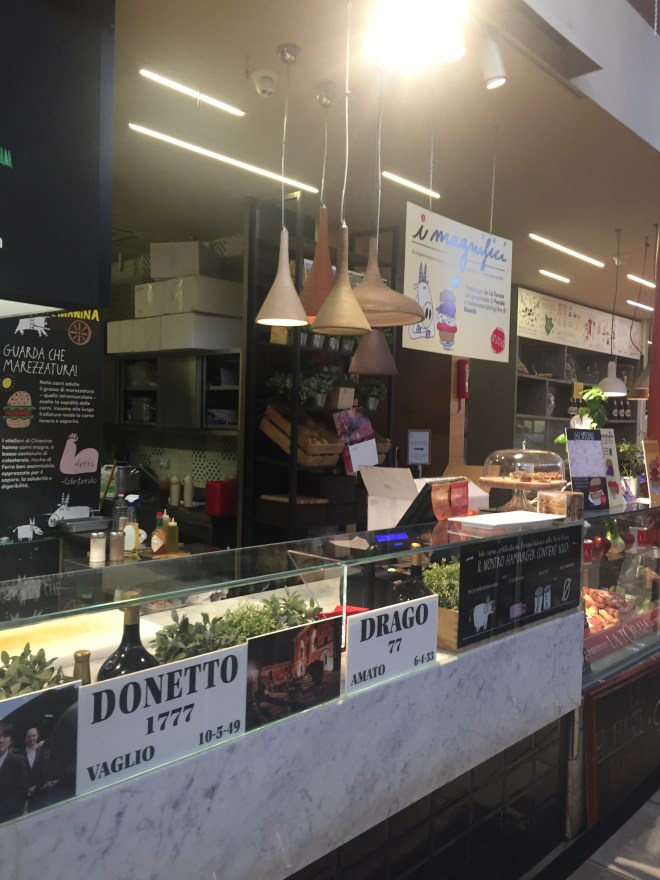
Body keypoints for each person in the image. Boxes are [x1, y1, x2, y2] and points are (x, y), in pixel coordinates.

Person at [0, 721, 28, 821]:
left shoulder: (18, 761)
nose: (1, 740)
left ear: (11, 740)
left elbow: (21, 792)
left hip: (8, 817)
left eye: (5, 736)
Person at [21, 726, 44, 811]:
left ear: (37, 736)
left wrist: (37, 786)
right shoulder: (20, 754)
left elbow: (45, 770)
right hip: (24, 793)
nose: (31, 738)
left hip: (40, 791)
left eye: (34, 735)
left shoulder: (43, 751)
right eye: (29, 736)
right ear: (25, 738)